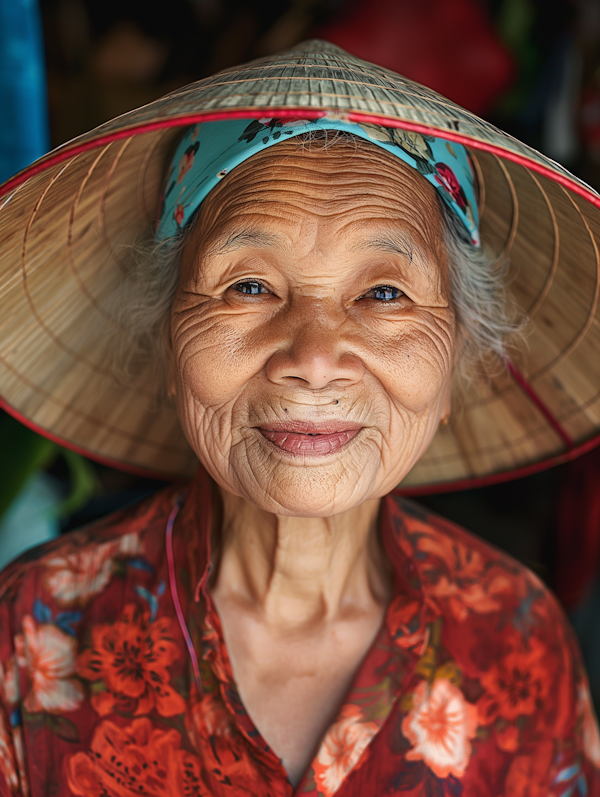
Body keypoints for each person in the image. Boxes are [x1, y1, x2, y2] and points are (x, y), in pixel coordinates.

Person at [0, 40, 599, 797]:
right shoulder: (26, 633)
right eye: (249, 284)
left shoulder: (517, 635)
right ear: (169, 343)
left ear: (453, 363)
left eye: (385, 293)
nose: (315, 358)